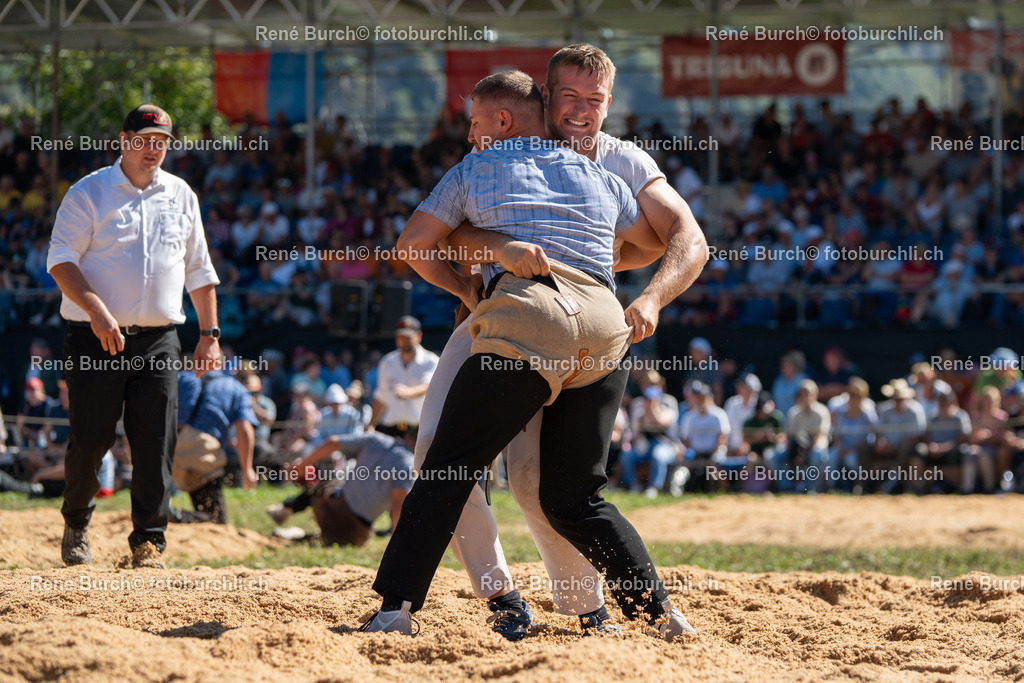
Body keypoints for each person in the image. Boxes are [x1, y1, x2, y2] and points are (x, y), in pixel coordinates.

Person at [360, 70, 698, 641]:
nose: (469, 134)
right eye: (571, 97)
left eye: (474, 122)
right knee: (572, 495)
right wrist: (586, 255)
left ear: (503, 120)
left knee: (447, 466)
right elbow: (654, 241)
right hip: (603, 325)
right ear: (549, 101)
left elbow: (412, 244)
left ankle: (396, 610)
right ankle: (659, 615)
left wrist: (471, 279)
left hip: (524, 319)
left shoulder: (478, 167)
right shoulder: (599, 172)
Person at [47, 104, 221, 567]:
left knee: (156, 441)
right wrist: (97, 310)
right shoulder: (90, 192)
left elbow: (200, 270)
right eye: (144, 140)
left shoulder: (182, 195)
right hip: (93, 335)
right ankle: (77, 523)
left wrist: (210, 333)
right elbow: (61, 260)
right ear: (123, 141)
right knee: (89, 439)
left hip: (161, 338)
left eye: (161, 142)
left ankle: (149, 540)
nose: (152, 149)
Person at [278, 429, 416, 546]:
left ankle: (287, 508)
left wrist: (303, 464)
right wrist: (398, 544)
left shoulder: (375, 439)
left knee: (327, 480)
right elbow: (398, 504)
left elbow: (332, 442)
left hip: (332, 512)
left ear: (406, 435)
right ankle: (299, 525)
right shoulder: (409, 465)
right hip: (356, 535)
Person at [173, 368, 258, 524]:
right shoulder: (235, 388)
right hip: (202, 452)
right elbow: (245, 430)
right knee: (214, 519)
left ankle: (161, 514)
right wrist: (247, 470)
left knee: (151, 507)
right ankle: (173, 516)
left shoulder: (180, 378)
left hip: (168, 447)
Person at [370, 316, 438, 439]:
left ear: (419, 336)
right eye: (400, 337)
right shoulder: (387, 362)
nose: (404, 341)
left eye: (408, 337)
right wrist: (371, 424)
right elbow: (381, 396)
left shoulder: (431, 361)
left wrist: (409, 391)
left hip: (419, 430)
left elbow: (428, 385)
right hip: (391, 430)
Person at [619, 370, 680, 497]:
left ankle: (654, 488)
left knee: (658, 456)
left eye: (655, 384)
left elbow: (663, 422)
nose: (651, 387)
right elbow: (636, 430)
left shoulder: (669, 401)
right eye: (647, 384)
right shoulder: (637, 403)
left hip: (666, 443)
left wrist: (653, 406)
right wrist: (645, 408)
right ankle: (634, 486)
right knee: (626, 458)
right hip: (644, 443)